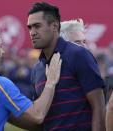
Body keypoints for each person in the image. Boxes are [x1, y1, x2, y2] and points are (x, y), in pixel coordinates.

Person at [27, 2, 106, 131]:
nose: (32, 32)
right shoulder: (37, 69)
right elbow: (40, 116)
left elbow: (99, 105)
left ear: (54, 26)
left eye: (37, 26)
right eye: (29, 28)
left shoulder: (79, 54)